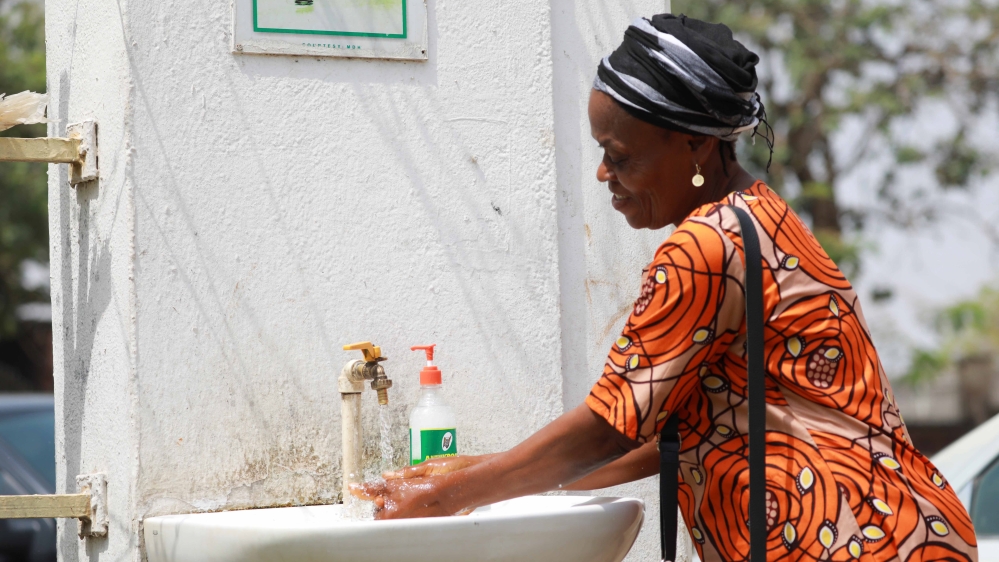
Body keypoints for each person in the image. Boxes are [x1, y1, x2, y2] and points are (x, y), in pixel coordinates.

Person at [353, 14, 978, 562]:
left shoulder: (705, 248)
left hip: (842, 542)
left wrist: (444, 494)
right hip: (900, 531)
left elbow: (609, 428)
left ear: (696, 143)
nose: (604, 174)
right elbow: (666, 435)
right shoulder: (761, 217)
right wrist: (489, 475)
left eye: (619, 156)